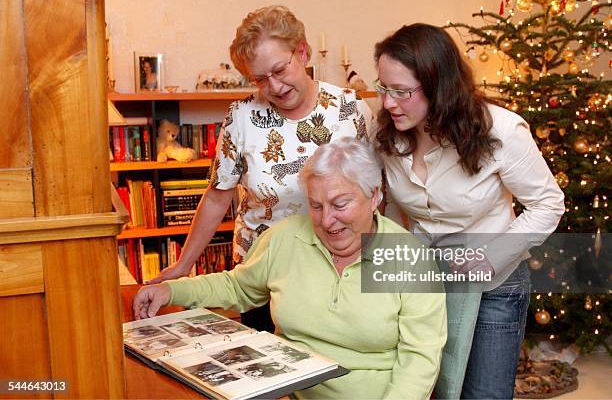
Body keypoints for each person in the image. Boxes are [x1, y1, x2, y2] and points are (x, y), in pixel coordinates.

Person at [133, 137, 447, 399]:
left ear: (374, 196)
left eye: (340, 204)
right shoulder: (285, 238)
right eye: (316, 205)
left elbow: (419, 360)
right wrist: (171, 289)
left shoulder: (410, 257)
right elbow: (236, 287)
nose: (327, 220)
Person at [148, 6, 372, 333]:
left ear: (303, 52)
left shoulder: (351, 109)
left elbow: (378, 194)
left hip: (339, 271)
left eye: (280, 70)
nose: (275, 87)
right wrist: (185, 264)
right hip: (261, 278)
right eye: (260, 79)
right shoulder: (241, 117)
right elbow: (217, 197)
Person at [372, 23, 565, 399]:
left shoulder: (502, 131)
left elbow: (548, 204)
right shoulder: (389, 133)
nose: (389, 103)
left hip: (494, 286)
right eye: (384, 88)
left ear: (439, 86)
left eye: (402, 91)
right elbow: (393, 206)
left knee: (483, 393)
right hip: (423, 280)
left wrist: (488, 258)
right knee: (428, 389)